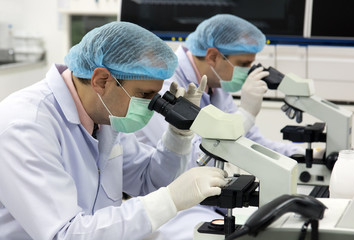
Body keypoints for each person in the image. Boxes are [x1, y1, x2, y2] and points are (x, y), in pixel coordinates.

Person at [0, 22, 228, 240]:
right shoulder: (26, 126)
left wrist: (178, 135)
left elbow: (148, 181)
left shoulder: (105, 114)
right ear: (101, 80)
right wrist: (170, 200)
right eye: (144, 95)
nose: (152, 106)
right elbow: (66, 234)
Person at [136, 14, 305, 240]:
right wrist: (244, 114)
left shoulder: (214, 84)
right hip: (172, 203)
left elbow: (253, 141)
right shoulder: (165, 86)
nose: (247, 71)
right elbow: (191, 158)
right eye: (243, 64)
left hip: (207, 197)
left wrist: (300, 155)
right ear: (214, 56)